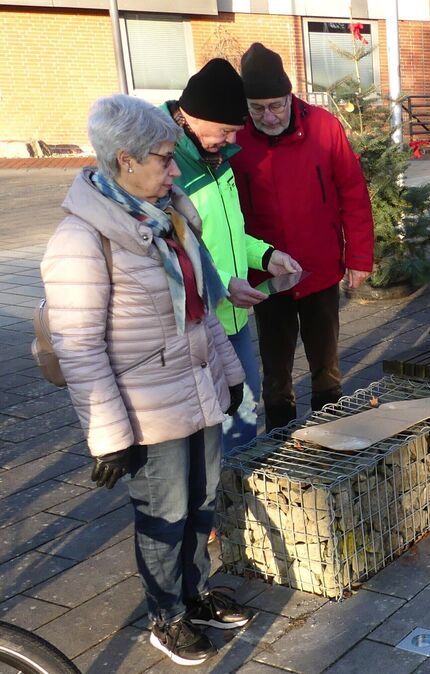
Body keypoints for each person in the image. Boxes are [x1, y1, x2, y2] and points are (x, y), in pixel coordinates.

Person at [41, 95, 255, 667]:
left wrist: (230, 376)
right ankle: (167, 616)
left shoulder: (170, 217)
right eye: (164, 158)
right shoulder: (82, 240)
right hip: (145, 410)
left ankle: (194, 592)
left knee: (202, 500)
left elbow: (200, 307)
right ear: (125, 160)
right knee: (165, 513)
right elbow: (80, 348)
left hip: (197, 391)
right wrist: (108, 438)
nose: (175, 168)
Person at [230, 43, 374, 431]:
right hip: (265, 274)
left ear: (290, 96)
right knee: (275, 367)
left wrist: (359, 257)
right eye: (257, 108)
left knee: (325, 361)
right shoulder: (235, 137)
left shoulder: (323, 126)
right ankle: (280, 435)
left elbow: (353, 192)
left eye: (276, 105)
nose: (269, 116)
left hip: (320, 266)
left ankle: (332, 429)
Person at [162, 57, 302, 454]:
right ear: (191, 116)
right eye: (224, 130)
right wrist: (224, 282)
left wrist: (266, 256)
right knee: (212, 421)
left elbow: (230, 230)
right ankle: (219, 500)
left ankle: (239, 492)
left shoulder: (216, 158)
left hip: (234, 317)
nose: (228, 139)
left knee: (245, 406)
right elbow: (169, 253)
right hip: (198, 324)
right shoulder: (165, 168)